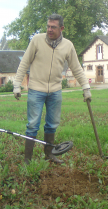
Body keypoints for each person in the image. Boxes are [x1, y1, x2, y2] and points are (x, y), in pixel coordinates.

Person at [13, 14, 92, 164]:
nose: (49, 29)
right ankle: (27, 160)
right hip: (36, 89)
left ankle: (49, 155)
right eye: (48, 26)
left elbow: (76, 68)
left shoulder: (68, 45)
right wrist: (17, 84)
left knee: (52, 123)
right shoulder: (37, 40)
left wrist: (86, 87)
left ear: (61, 28)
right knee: (32, 124)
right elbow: (24, 62)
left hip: (55, 90)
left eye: (53, 27)